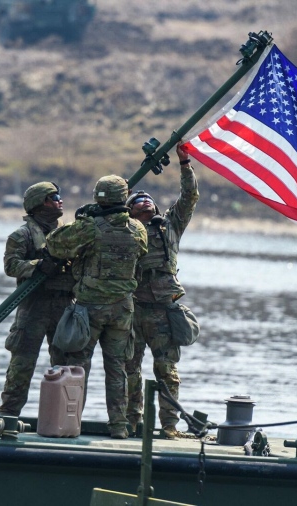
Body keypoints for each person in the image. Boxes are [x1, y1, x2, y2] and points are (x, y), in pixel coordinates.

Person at [46, 175, 148, 439]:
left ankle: (71, 424)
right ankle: (119, 427)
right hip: (122, 310)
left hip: (89, 309)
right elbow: (142, 253)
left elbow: (55, 244)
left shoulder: (89, 227)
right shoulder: (138, 229)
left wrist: (82, 219)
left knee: (79, 368)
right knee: (117, 369)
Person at [124, 144, 199, 439]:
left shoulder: (169, 227)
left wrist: (184, 164)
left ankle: (169, 425)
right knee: (130, 370)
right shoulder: (122, 231)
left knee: (166, 370)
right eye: (137, 203)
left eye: (148, 203)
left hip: (164, 309)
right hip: (131, 308)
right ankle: (131, 423)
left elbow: (190, 197)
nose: (145, 205)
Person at [0, 182, 76, 417]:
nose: (60, 200)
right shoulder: (21, 235)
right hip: (34, 305)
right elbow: (11, 266)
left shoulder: (69, 233)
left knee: (65, 365)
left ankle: (63, 418)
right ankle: (9, 416)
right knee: (22, 364)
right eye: (54, 197)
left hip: (64, 305)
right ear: (39, 203)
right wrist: (38, 265)